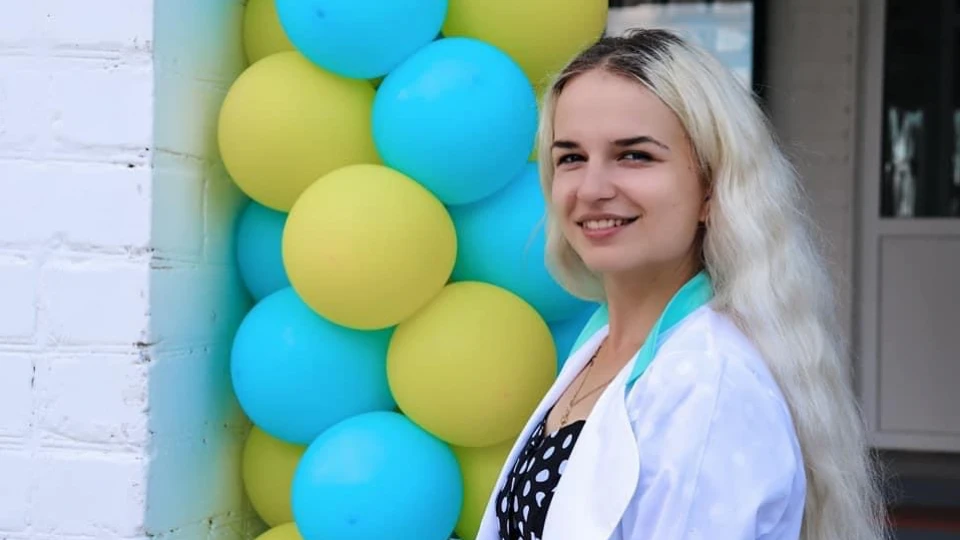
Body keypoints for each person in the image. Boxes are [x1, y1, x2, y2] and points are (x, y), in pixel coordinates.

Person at [472, 29, 889, 540]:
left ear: (712, 187)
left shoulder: (710, 388)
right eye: (571, 157)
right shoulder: (605, 346)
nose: (592, 189)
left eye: (634, 155)